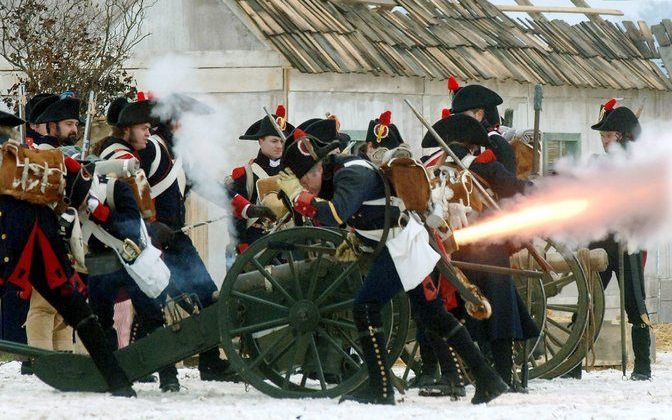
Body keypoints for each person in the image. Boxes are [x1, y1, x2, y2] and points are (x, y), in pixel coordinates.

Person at [278, 132, 508, 405]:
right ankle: (488, 379)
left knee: (365, 307)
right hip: (400, 244)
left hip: (402, 246)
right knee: (432, 314)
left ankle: (381, 388)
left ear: (318, 168)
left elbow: (333, 215)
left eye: (306, 182)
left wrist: (297, 195)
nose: (308, 189)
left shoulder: (351, 174)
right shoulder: (339, 175)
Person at [0, 112, 135, 397]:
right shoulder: (33, 156)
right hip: (40, 233)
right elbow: (79, 182)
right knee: (74, 307)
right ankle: (118, 380)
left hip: (10, 234)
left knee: (65, 308)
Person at [422, 114, 539, 392]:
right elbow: (515, 187)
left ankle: (456, 377)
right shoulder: (484, 166)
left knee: (451, 312)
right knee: (500, 314)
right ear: (474, 146)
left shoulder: (436, 169)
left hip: (455, 250)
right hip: (484, 250)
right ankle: (501, 376)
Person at [135, 93, 240, 382]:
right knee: (153, 304)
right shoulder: (151, 149)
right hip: (154, 239)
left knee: (208, 297)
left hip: (175, 239)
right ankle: (142, 362)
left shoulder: (176, 153)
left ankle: (209, 363)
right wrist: (151, 223)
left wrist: (245, 207)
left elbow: (209, 187)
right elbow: (131, 188)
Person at [590, 98, 651, 381]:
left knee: (635, 306)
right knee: (589, 300)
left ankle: (642, 368)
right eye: (602, 136)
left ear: (622, 136)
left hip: (627, 242)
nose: (604, 141)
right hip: (601, 241)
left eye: (608, 135)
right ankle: (574, 365)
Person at [230, 105, 294, 251]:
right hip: (257, 242)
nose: (279, 146)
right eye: (274, 141)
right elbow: (236, 216)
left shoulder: (292, 172)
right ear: (261, 141)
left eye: (282, 141)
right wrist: (242, 246)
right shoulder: (245, 174)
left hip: (287, 241)